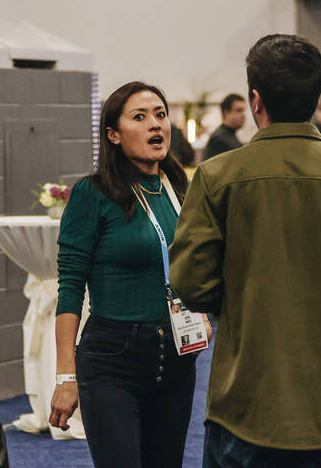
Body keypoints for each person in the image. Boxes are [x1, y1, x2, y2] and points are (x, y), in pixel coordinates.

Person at [169, 34, 321, 468]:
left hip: (245, 397)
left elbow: (190, 283)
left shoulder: (216, 175)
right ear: (317, 97)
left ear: (256, 100)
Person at [49, 81, 208, 468]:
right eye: (140, 117)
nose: (156, 125)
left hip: (176, 357)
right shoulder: (92, 194)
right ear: (114, 135)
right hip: (112, 359)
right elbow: (70, 288)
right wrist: (64, 377)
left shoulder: (179, 187)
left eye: (160, 114)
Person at [203, 93, 246, 160]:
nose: (243, 115)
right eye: (238, 110)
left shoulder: (229, 136)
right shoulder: (219, 139)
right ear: (226, 113)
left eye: (244, 111)